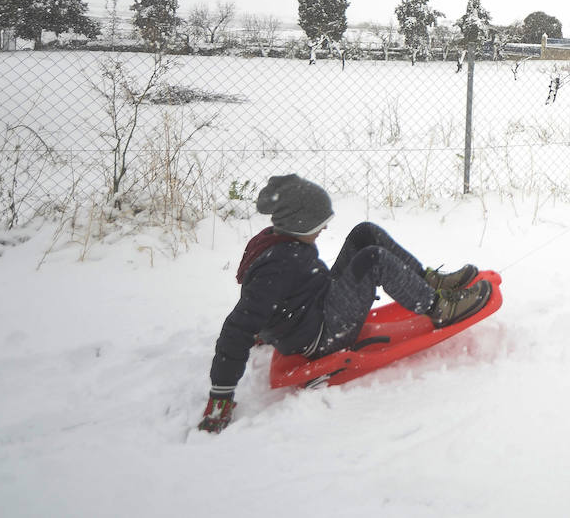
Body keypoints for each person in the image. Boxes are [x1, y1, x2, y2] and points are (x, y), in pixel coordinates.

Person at [197, 174, 492, 433]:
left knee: (365, 233)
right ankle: (439, 308)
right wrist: (220, 395)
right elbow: (238, 326)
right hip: (321, 335)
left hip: (317, 304)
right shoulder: (278, 264)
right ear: (300, 222)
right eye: (320, 224)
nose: (325, 229)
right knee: (372, 259)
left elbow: (268, 301)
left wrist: (265, 326)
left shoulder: (278, 241)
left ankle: (428, 282)